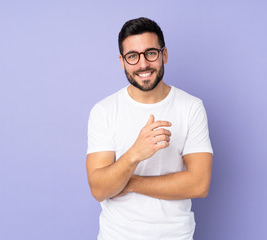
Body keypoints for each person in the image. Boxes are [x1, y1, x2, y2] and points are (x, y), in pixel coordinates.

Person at [86, 17, 213, 240]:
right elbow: (99, 189)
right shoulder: (104, 110)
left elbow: (199, 184)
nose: (143, 64)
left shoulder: (191, 107)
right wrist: (136, 153)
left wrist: (131, 183)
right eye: (132, 56)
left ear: (164, 54)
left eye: (151, 53)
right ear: (122, 61)